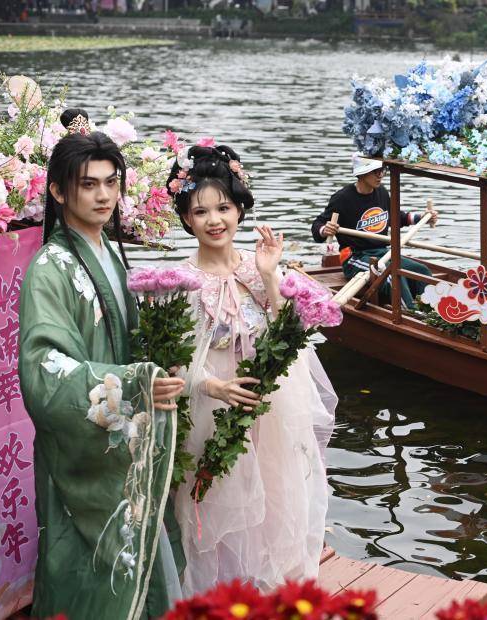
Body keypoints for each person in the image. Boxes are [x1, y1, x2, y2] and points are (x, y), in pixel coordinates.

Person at [18, 109, 186, 618]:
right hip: (83, 445)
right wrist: (132, 386)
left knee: (138, 558)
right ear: (58, 192)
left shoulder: (108, 251)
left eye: (111, 183)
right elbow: (43, 368)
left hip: (124, 436)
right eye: (87, 184)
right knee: (83, 563)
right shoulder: (50, 269)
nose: (103, 195)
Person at [167, 145, 337, 596]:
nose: (214, 219)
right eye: (200, 211)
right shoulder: (181, 280)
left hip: (268, 405)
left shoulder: (255, 265)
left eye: (223, 207)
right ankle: (218, 597)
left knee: (277, 497)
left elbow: (285, 336)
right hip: (211, 405)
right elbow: (174, 360)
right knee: (215, 504)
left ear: (240, 207)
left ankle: (273, 595)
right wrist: (212, 385)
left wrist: (268, 275)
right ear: (186, 219)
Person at [311, 154, 438, 308]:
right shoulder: (342, 198)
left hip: (382, 253)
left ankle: (431, 313)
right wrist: (325, 230)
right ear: (361, 174)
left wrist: (423, 218)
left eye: (382, 170)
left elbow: (396, 218)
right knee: (391, 275)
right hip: (355, 257)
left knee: (421, 271)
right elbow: (317, 225)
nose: (380, 175)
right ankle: (411, 315)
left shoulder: (382, 192)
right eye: (375, 171)